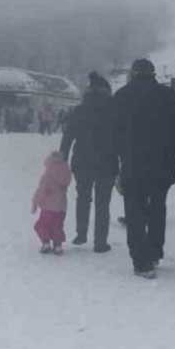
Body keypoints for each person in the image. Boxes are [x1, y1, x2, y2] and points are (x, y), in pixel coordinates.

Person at [113, 58, 175, 279]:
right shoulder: (168, 95)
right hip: (162, 164)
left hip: (132, 165)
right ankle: (154, 251)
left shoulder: (122, 96)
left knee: (134, 211)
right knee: (157, 208)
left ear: (133, 74)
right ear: (153, 73)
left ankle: (141, 261)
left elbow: (113, 133)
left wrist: (116, 159)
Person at [59, 71, 117, 253]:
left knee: (83, 197)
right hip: (107, 163)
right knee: (103, 202)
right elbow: (121, 139)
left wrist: (62, 159)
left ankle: (81, 234)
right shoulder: (113, 111)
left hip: (82, 162)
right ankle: (100, 242)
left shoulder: (79, 110)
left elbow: (68, 137)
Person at [30, 150, 72, 254]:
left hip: (48, 208)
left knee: (42, 225)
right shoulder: (65, 171)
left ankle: (46, 243)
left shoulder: (48, 174)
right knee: (57, 226)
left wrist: (35, 203)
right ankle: (57, 245)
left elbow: (41, 190)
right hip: (61, 207)